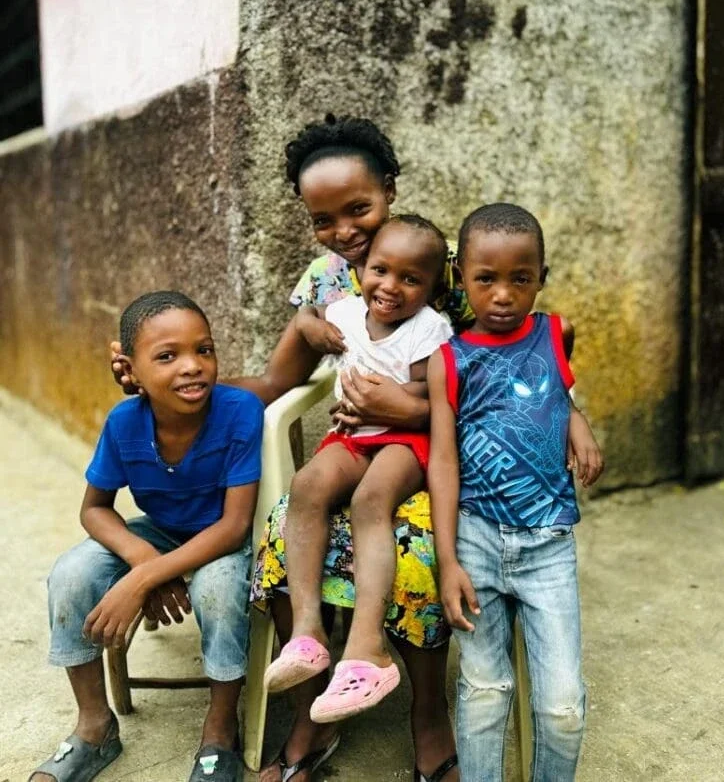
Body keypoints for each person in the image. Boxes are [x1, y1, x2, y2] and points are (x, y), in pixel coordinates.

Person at [111, 115, 603, 782]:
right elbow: (276, 383)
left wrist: (400, 405)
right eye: (323, 219)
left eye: (359, 209)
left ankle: (427, 710)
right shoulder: (325, 285)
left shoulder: (451, 274)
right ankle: (317, 679)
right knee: (286, 521)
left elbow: (508, 371)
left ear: (390, 191)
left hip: (443, 461)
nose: (344, 231)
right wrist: (167, 379)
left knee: (420, 544)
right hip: (356, 448)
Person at [31, 291, 264, 782]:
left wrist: (145, 578)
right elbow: (94, 509)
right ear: (130, 371)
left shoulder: (239, 411)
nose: (192, 366)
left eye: (204, 350)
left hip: (218, 537)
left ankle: (221, 731)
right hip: (157, 533)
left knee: (221, 592)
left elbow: (234, 526)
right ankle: (94, 729)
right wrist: (143, 560)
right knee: (72, 574)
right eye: (167, 356)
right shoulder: (124, 423)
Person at [427, 204, 594, 782]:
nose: (502, 294)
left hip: (548, 546)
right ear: (461, 278)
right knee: (483, 690)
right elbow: (442, 460)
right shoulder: (448, 360)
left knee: (563, 707)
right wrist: (447, 558)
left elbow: (557, 391)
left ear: (541, 277)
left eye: (520, 278)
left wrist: (580, 425)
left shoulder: (553, 331)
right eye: (485, 279)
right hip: (474, 539)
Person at [264, 215, 454, 726]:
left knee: (373, 500)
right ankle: (309, 635)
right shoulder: (347, 313)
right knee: (308, 485)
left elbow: (429, 395)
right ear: (361, 270)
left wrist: (387, 403)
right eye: (379, 270)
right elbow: (310, 317)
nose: (390, 287)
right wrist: (306, 323)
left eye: (410, 279)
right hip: (351, 436)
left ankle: (368, 647)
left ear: (431, 287)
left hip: (406, 439)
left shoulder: (429, 328)